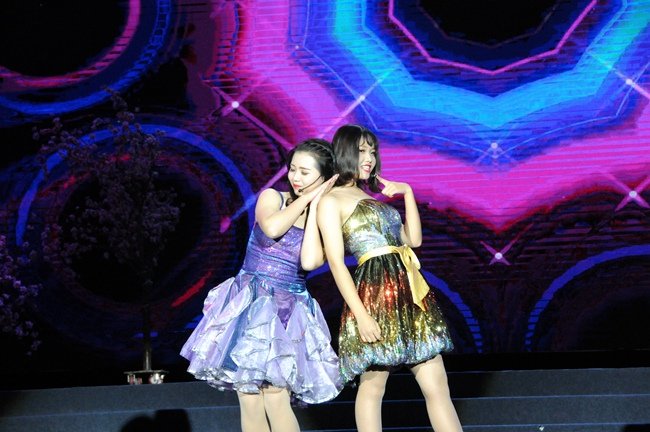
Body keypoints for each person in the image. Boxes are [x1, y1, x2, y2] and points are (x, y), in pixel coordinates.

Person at [181, 138, 342, 432]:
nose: (296, 177)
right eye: (293, 169)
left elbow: (309, 261)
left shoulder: (323, 218)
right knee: (249, 397)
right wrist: (307, 198)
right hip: (251, 302)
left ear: (324, 177)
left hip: (287, 311)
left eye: (305, 172)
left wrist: (316, 208)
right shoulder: (273, 198)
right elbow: (273, 227)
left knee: (276, 396)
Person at [317, 125, 463, 432]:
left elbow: (413, 240)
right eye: (361, 151)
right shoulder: (331, 200)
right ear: (344, 152)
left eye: (372, 151)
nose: (369, 158)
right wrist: (361, 315)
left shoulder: (371, 197)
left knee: (437, 385)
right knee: (373, 385)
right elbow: (336, 263)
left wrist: (407, 192)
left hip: (408, 290)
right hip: (374, 295)